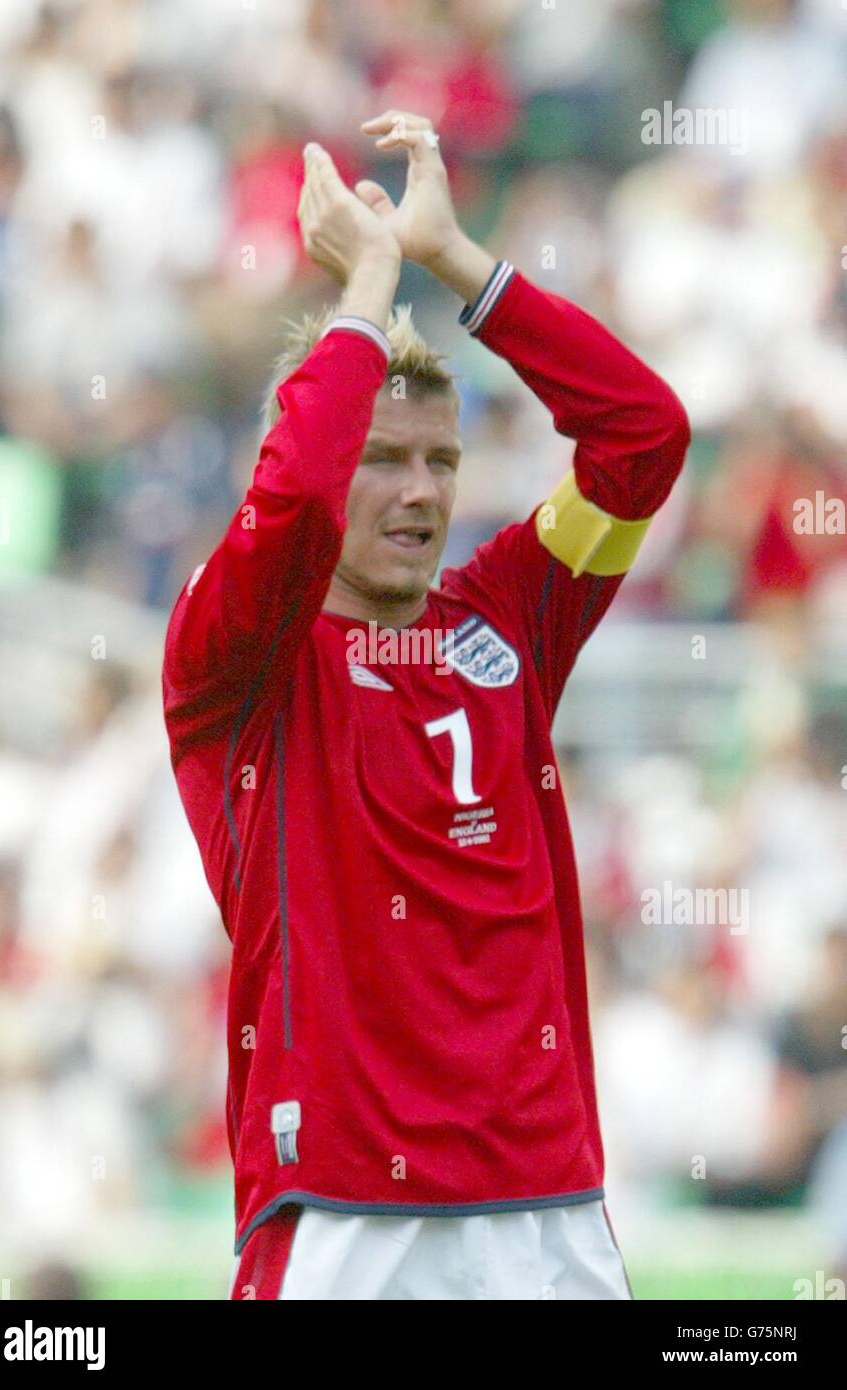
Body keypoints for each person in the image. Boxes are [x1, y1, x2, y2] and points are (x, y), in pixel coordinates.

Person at [162, 109, 690, 1300]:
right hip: (342, 1208)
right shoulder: (236, 658)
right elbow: (290, 501)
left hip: (545, 1205)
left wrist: (462, 267)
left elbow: (643, 436)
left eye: (439, 463)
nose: (417, 492)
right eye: (381, 459)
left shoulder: (511, 611)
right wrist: (367, 289)